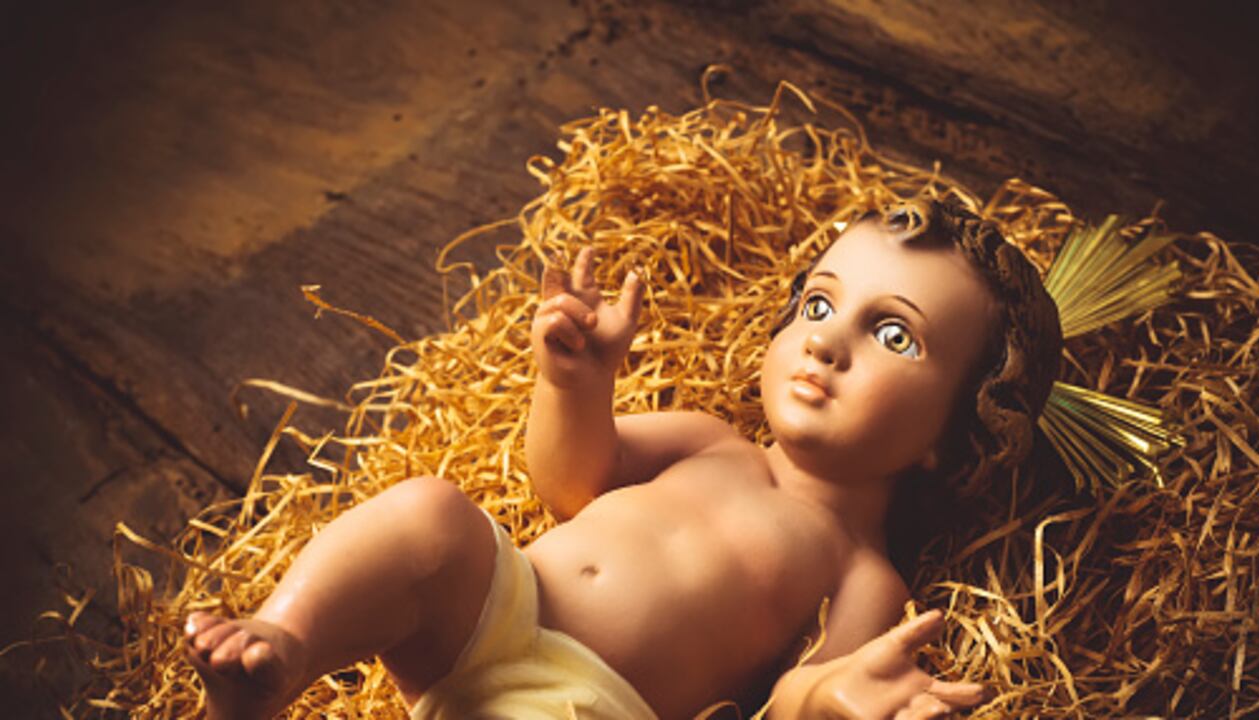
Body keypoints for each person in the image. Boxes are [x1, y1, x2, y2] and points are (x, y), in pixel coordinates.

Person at [182, 197, 1062, 719]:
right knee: (429, 515)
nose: (826, 347)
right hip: (503, 605)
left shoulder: (862, 572)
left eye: (895, 334)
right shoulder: (707, 440)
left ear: (963, 428)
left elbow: (797, 699)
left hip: (588, 704)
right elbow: (569, 484)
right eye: (821, 306)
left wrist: (827, 700)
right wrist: (574, 387)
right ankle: (285, 645)